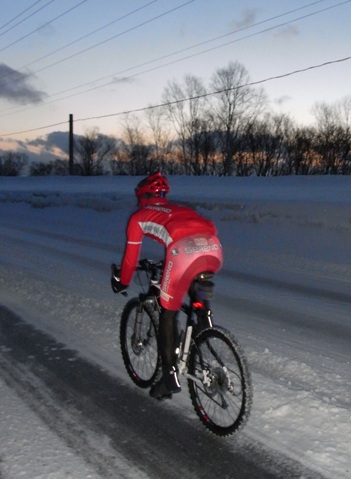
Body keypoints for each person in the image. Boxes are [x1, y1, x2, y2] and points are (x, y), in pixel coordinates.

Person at [111, 172, 223, 400]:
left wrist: (120, 281)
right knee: (195, 285)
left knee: (167, 312)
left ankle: (169, 377)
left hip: (182, 251)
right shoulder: (178, 209)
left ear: (142, 196)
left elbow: (131, 260)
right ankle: (204, 323)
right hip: (213, 248)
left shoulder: (139, 216)